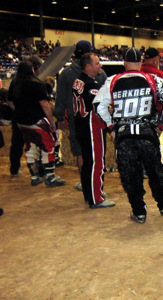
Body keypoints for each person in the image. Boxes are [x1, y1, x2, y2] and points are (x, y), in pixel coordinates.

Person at [93, 47, 163, 223]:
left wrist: (111, 129)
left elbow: (98, 106)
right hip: (147, 134)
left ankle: (139, 212)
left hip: (124, 137)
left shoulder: (112, 81)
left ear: (124, 63)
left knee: (130, 175)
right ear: (140, 62)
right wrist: (160, 126)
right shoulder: (153, 79)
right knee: (155, 171)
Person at [54, 40, 107, 191]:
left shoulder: (66, 73)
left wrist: (59, 118)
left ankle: (85, 183)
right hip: (96, 119)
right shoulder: (100, 73)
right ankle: (95, 185)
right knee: (96, 152)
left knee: (80, 152)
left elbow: (61, 98)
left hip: (75, 118)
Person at [7, 60, 66, 187]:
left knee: (30, 148)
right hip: (37, 122)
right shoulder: (36, 83)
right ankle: (50, 177)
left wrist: (20, 111)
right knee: (48, 147)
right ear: (32, 70)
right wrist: (51, 121)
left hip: (21, 123)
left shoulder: (15, 83)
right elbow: (44, 104)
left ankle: (34, 177)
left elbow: (10, 102)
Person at [72, 53, 115, 209]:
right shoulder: (90, 84)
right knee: (96, 162)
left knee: (88, 162)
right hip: (91, 128)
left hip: (81, 126)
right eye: (97, 63)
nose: (100, 66)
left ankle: (89, 193)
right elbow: (98, 109)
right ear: (88, 66)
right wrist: (110, 127)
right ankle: (96, 198)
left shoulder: (78, 81)